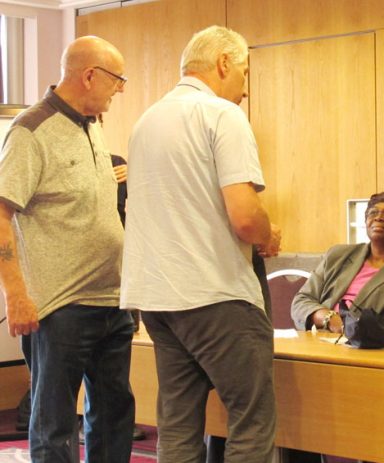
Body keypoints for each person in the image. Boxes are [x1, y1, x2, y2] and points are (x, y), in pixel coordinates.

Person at [120, 25, 281, 463]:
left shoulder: (146, 121)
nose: (245, 90)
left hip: (158, 299)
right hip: (215, 294)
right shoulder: (221, 114)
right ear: (224, 63)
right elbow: (246, 217)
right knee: (251, 420)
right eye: (245, 74)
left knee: (177, 423)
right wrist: (269, 237)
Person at [0, 36, 134, 462]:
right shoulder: (30, 129)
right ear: (89, 75)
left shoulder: (92, 124)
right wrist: (16, 294)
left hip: (112, 302)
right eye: (117, 79)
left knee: (114, 417)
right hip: (60, 307)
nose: (121, 88)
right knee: (55, 424)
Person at [292, 191, 384, 333]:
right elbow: (302, 300)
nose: (378, 218)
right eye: (372, 213)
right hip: (317, 339)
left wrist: (356, 328)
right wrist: (329, 318)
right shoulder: (337, 255)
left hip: (369, 346)